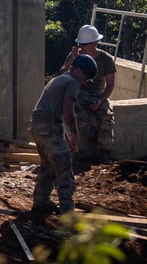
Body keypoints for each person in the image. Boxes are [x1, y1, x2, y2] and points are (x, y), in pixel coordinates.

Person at [31, 53, 98, 214]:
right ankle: (68, 213)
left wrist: (66, 137)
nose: (85, 83)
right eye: (86, 79)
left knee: (48, 167)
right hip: (49, 129)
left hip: (38, 128)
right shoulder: (72, 82)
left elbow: (55, 113)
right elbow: (67, 111)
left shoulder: (59, 78)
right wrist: (75, 133)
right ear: (80, 71)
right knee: (65, 171)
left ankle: (41, 202)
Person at [58, 24, 116, 163]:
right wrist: (72, 59)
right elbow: (60, 75)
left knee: (107, 118)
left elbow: (110, 84)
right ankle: (88, 143)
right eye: (80, 44)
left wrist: (101, 100)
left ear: (95, 43)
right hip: (78, 92)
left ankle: (104, 152)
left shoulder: (106, 59)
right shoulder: (76, 57)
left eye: (84, 44)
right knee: (76, 114)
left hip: (97, 94)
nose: (81, 47)